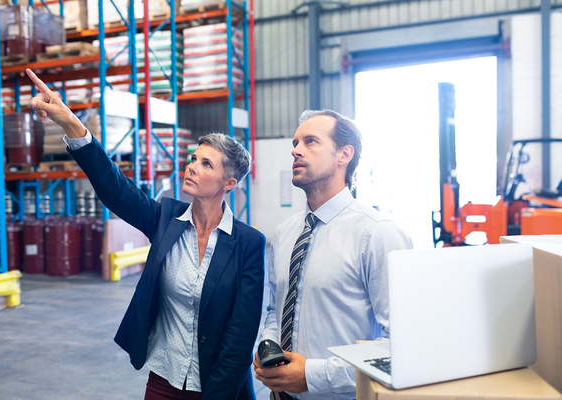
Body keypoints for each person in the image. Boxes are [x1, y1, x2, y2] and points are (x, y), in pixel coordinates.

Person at [26, 69, 266, 400]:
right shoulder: (166, 218)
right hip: (163, 379)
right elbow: (116, 189)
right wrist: (71, 123)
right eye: (193, 158)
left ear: (229, 183)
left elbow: (240, 338)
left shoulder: (249, 244)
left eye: (206, 164)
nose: (192, 166)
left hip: (216, 388)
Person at [253, 110, 412, 400]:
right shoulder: (286, 233)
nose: (296, 150)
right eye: (295, 142)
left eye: (310, 141)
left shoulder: (377, 234)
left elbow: (402, 346)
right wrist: (267, 345)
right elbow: (276, 311)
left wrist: (313, 376)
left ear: (344, 155)